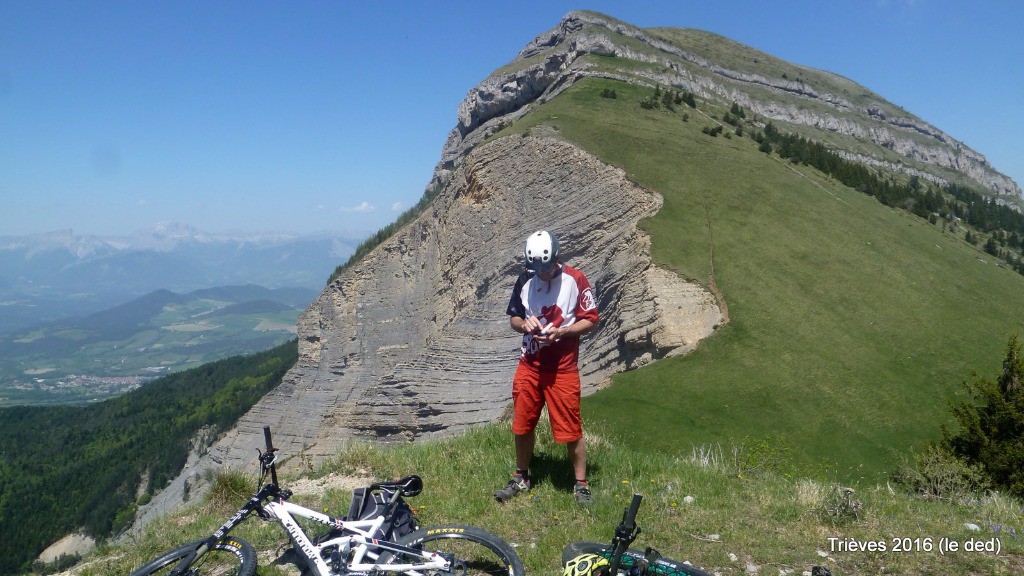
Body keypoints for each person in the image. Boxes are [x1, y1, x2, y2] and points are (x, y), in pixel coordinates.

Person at [495, 230, 599, 507]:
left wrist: (563, 332)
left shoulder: (576, 279)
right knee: (522, 423)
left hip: (562, 368)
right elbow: (514, 317)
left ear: (556, 259)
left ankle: (580, 483)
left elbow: (590, 319)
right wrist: (524, 325)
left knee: (570, 427)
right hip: (529, 364)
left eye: (545, 268)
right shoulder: (525, 278)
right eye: (535, 269)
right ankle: (521, 476)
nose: (540, 274)